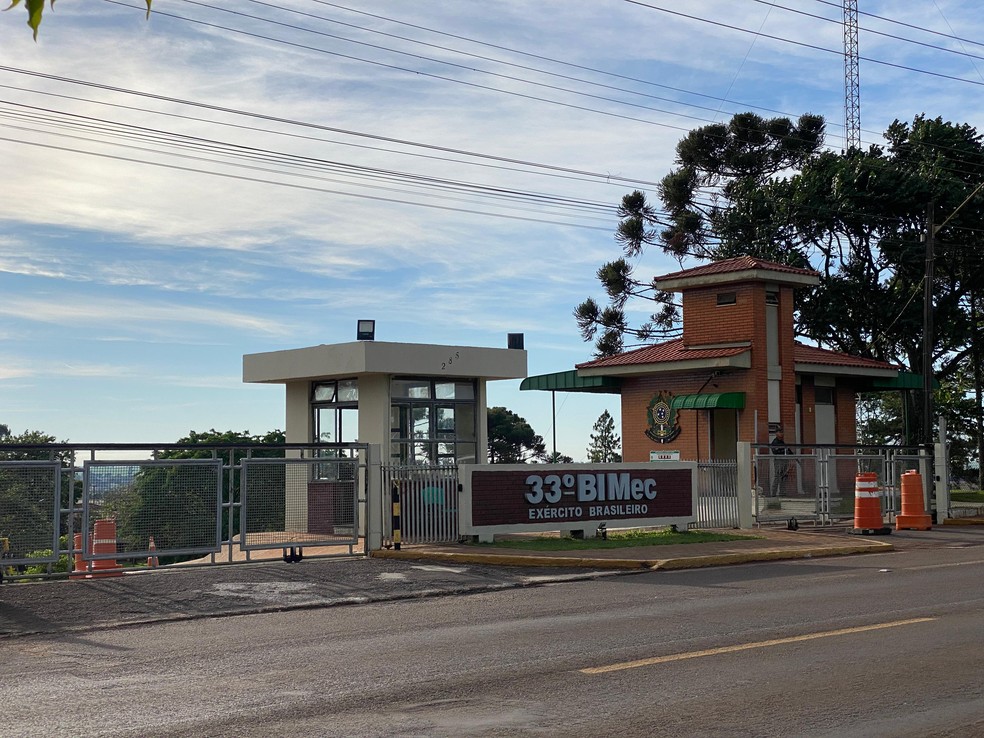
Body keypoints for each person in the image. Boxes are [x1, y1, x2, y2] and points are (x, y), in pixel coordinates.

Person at [770, 428, 790, 497]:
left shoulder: (782, 442)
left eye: (782, 432)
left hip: (784, 460)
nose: (782, 434)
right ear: (776, 433)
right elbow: (775, 451)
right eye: (780, 432)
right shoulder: (775, 442)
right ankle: (773, 494)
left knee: (783, 476)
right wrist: (783, 451)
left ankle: (782, 493)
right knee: (777, 476)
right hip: (778, 461)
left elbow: (788, 450)